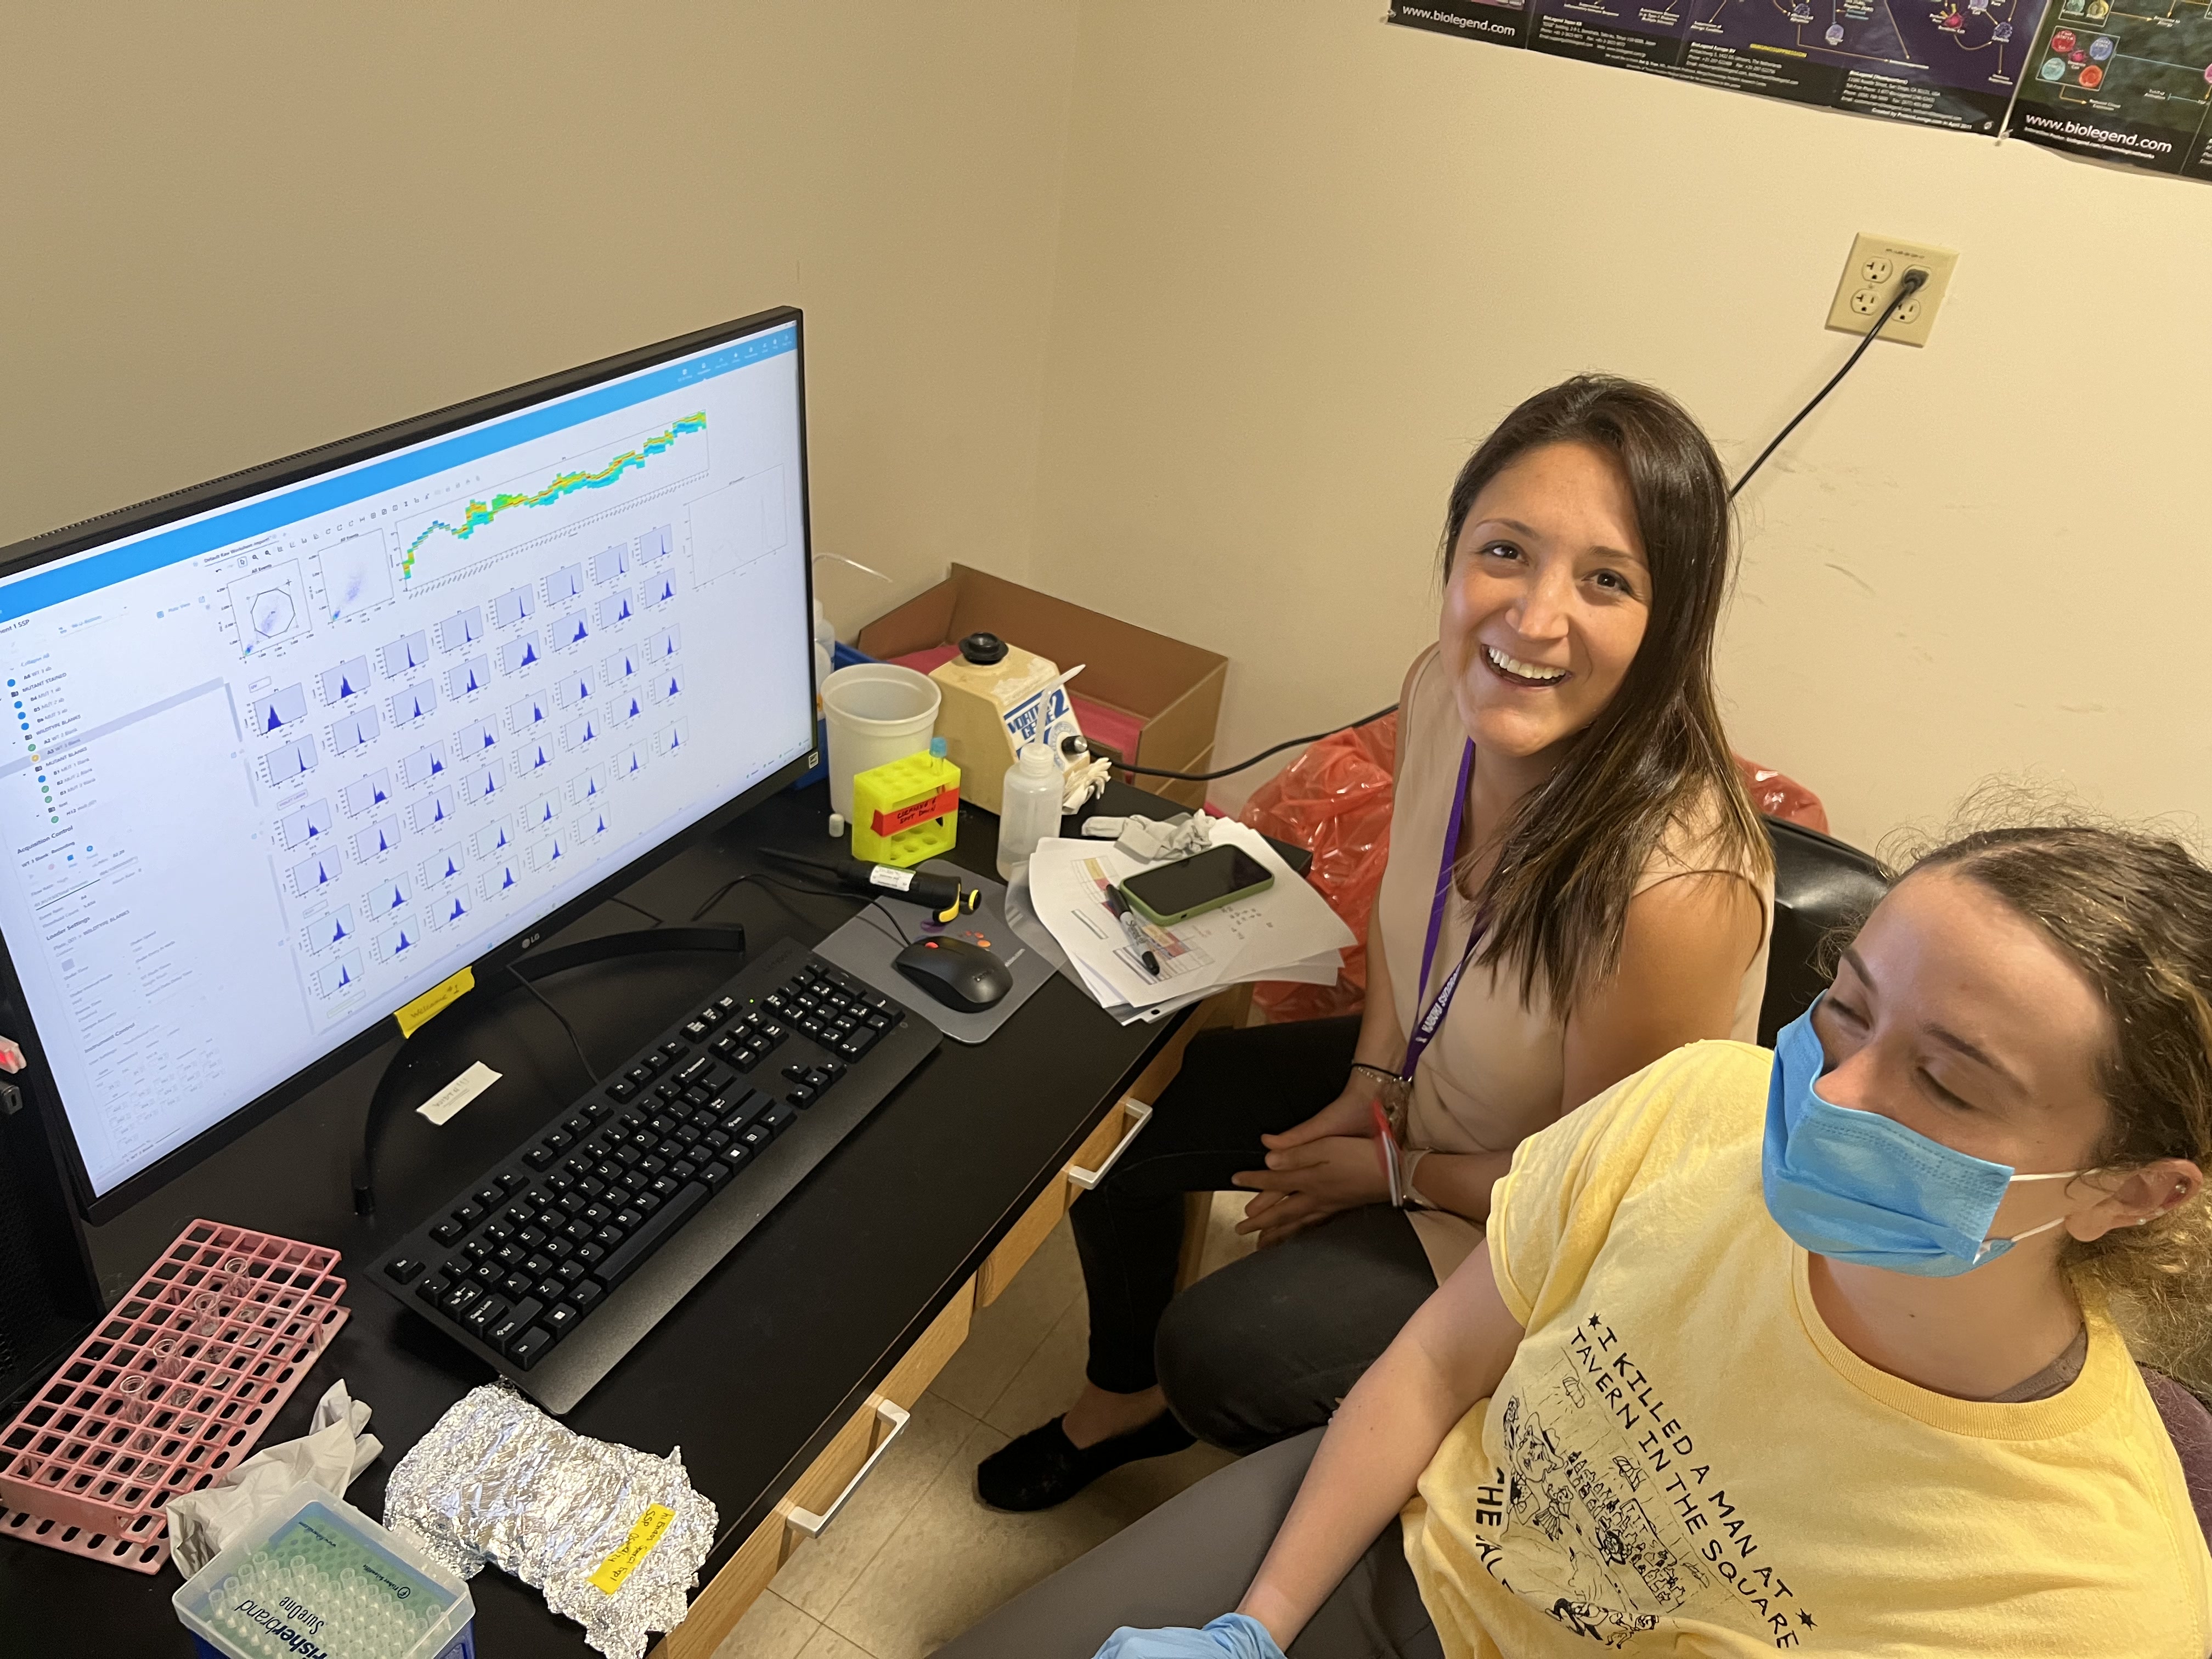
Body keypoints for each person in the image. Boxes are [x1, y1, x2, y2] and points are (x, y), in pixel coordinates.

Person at [939, 821, 2212, 1658]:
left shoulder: (2090, 1605)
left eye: (1949, 1081)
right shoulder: (1700, 1105)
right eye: (1849, 1009)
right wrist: (1256, 1629)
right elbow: (1441, 1364)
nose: (1831, 1093)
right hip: (1418, 1540)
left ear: (2132, 1193)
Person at [980, 376, 1775, 1511]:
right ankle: (1124, 1402)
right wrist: (1368, 1086)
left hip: (1537, 1236)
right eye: (1505, 552)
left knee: (1230, 1352)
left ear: (1673, 618)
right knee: (1127, 1129)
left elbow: (1594, 1200)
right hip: (1427, 1099)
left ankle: (1358, 1492)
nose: (1535, 619)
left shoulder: (1674, 891)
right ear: (1455, 559)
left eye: (1608, 580)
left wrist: (1393, 1177)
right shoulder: (1446, 697)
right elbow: (1412, 934)